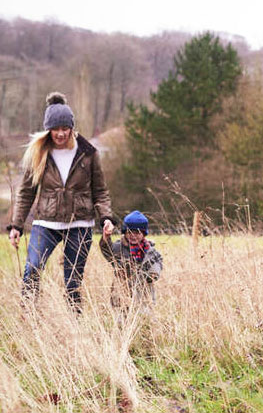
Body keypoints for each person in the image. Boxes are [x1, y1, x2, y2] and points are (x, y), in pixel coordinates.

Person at [8, 92, 115, 312]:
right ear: (48, 129)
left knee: (72, 281)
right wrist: (16, 225)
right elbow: (26, 192)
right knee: (33, 268)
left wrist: (105, 217)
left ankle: (73, 323)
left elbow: (100, 190)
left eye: (64, 128)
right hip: (46, 223)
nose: (60, 133)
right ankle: (28, 316)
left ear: (72, 128)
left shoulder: (88, 153)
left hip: (80, 225)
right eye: (55, 129)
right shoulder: (38, 153)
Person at [99, 210, 163, 314]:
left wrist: (152, 274)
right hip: (120, 296)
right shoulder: (117, 248)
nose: (133, 235)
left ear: (144, 234)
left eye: (137, 232)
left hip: (144, 296)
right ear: (125, 232)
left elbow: (157, 265)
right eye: (130, 232)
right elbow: (107, 250)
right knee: (121, 321)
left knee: (144, 320)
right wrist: (106, 237)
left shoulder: (150, 251)